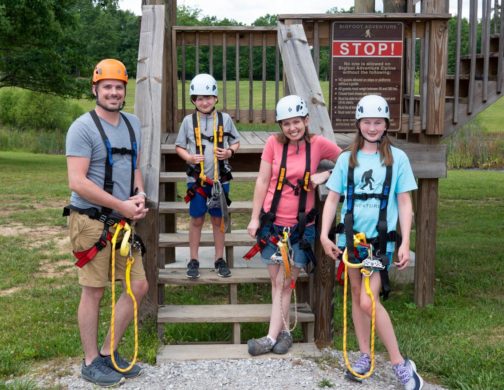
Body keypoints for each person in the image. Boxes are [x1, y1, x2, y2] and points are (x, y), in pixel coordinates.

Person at [319, 95, 423, 390]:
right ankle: (364, 354)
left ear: (386, 124)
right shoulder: (346, 159)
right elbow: (333, 199)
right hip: (351, 240)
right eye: (367, 122)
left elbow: (404, 202)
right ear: (359, 124)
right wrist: (326, 235)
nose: (373, 127)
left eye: (378, 122)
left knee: (368, 300)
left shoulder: (397, 159)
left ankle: (400, 363)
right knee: (356, 295)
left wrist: (405, 242)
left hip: (379, 243)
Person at [65, 59, 149, 387]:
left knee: (137, 285)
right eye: (107, 87)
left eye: (119, 87)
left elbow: (135, 168)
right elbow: (78, 181)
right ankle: (90, 362)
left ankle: (108, 353)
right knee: (94, 292)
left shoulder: (132, 124)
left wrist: (139, 195)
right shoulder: (82, 128)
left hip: (122, 224)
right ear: (95, 89)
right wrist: (121, 206)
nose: (114, 92)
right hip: (90, 222)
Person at [246, 95, 341, 356]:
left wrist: (327, 174)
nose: (292, 128)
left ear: (306, 121)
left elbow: (348, 161)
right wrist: (255, 218)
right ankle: (284, 333)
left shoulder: (318, 144)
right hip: (272, 223)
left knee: (286, 281)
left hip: (300, 227)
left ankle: (269, 337)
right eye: (286, 123)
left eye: (296, 122)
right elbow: (263, 181)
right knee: (277, 281)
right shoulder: (273, 144)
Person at [175, 73, 240, 279]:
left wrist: (229, 152)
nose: (204, 102)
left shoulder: (225, 119)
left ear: (216, 98)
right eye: (199, 98)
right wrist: (189, 158)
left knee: (218, 221)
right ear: (193, 100)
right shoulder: (188, 121)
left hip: (220, 181)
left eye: (208, 97)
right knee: (196, 220)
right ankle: (193, 259)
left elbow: (236, 141)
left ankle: (219, 258)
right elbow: (179, 146)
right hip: (197, 181)